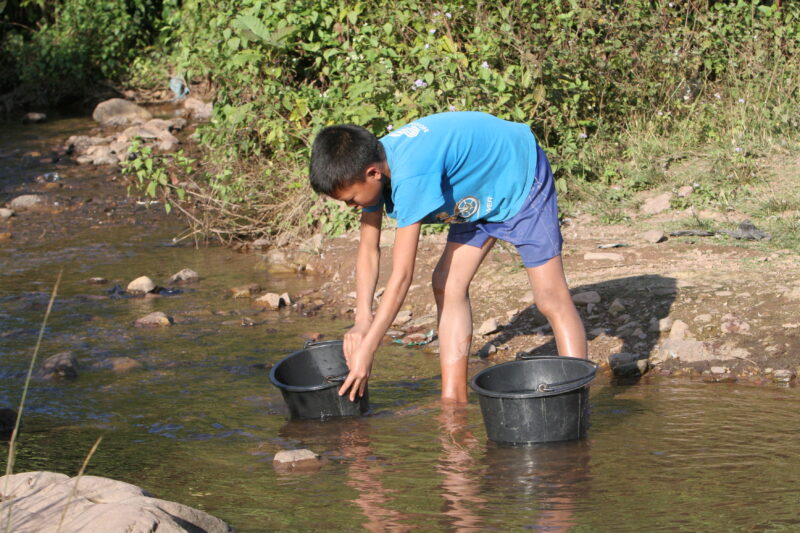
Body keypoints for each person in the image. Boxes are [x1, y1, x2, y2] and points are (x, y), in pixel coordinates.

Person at [309, 111, 587, 403]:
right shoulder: (371, 165)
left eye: (351, 199)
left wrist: (369, 348)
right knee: (447, 283)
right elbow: (368, 249)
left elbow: (402, 275)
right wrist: (362, 318)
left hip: (517, 175)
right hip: (472, 190)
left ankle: (575, 397)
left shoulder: (411, 174)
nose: (351, 206)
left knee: (550, 297)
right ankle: (453, 400)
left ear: (372, 174)